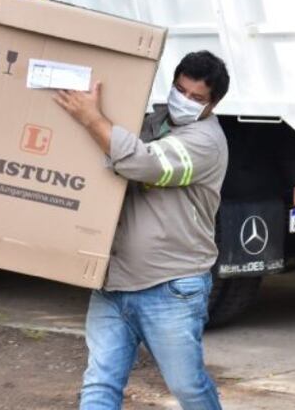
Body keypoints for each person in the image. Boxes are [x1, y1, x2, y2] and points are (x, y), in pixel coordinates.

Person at [54, 51, 230, 410]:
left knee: (188, 388)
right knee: (100, 383)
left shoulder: (206, 142)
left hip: (170, 285)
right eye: (180, 91)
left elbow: (144, 163)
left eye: (197, 98)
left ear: (213, 104)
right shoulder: (152, 121)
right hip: (113, 280)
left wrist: (91, 118)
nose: (185, 101)